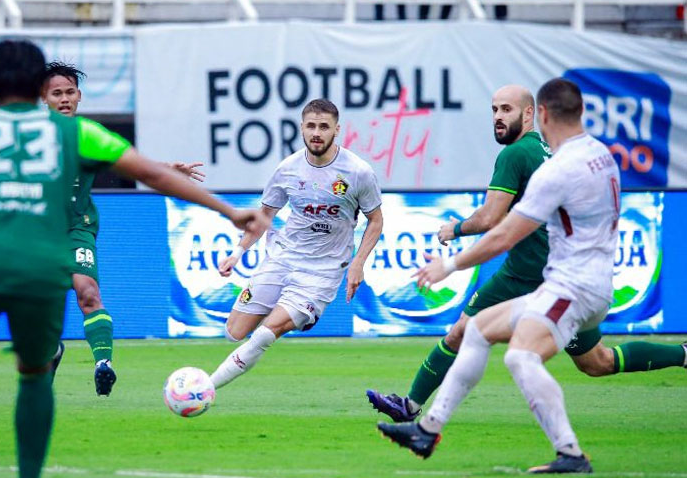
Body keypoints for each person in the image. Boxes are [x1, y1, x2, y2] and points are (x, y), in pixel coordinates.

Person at [0, 39, 267, 478]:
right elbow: (148, 173)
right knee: (34, 377)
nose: (66, 98)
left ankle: (97, 360)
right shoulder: (76, 135)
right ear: (38, 90)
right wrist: (229, 211)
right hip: (40, 267)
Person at [367, 84, 686, 424]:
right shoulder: (551, 153)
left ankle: (416, 410)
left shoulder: (514, 155)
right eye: (494, 110)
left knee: (470, 335)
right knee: (597, 362)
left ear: (531, 113)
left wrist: (455, 230)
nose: (498, 117)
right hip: (562, 276)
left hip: (527, 276)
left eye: (506, 109)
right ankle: (682, 354)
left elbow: (491, 218)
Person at [41, 61, 205, 396]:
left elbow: (127, 161)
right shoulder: (31, 137)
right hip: (38, 234)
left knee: (87, 292)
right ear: (43, 97)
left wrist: (167, 169)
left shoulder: (88, 135)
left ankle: (104, 363)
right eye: (56, 93)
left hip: (77, 228)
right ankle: (51, 351)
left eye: (70, 92)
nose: (64, 99)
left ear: (79, 96)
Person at [209, 99, 384, 391]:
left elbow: (375, 221)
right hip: (284, 258)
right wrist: (238, 252)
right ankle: (294, 310)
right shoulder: (287, 169)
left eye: (324, 127)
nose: (317, 133)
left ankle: (206, 387)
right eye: (311, 126)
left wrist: (358, 263)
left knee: (265, 334)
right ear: (302, 128)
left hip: (323, 271)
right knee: (234, 332)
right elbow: (265, 215)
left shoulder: (358, 172)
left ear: (336, 130)